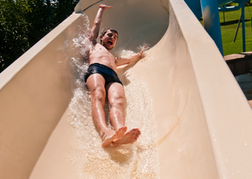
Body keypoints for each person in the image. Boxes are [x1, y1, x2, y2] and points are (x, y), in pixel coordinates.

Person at [84, 4, 145, 148]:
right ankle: (105, 132)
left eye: (115, 37)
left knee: (118, 102)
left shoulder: (114, 58)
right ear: (102, 37)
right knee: (98, 95)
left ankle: (119, 134)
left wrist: (139, 55)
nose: (112, 37)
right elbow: (96, 24)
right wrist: (101, 9)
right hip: (96, 70)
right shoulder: (93, 45)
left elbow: (130, 59)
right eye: (109, 35)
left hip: (113, 76)